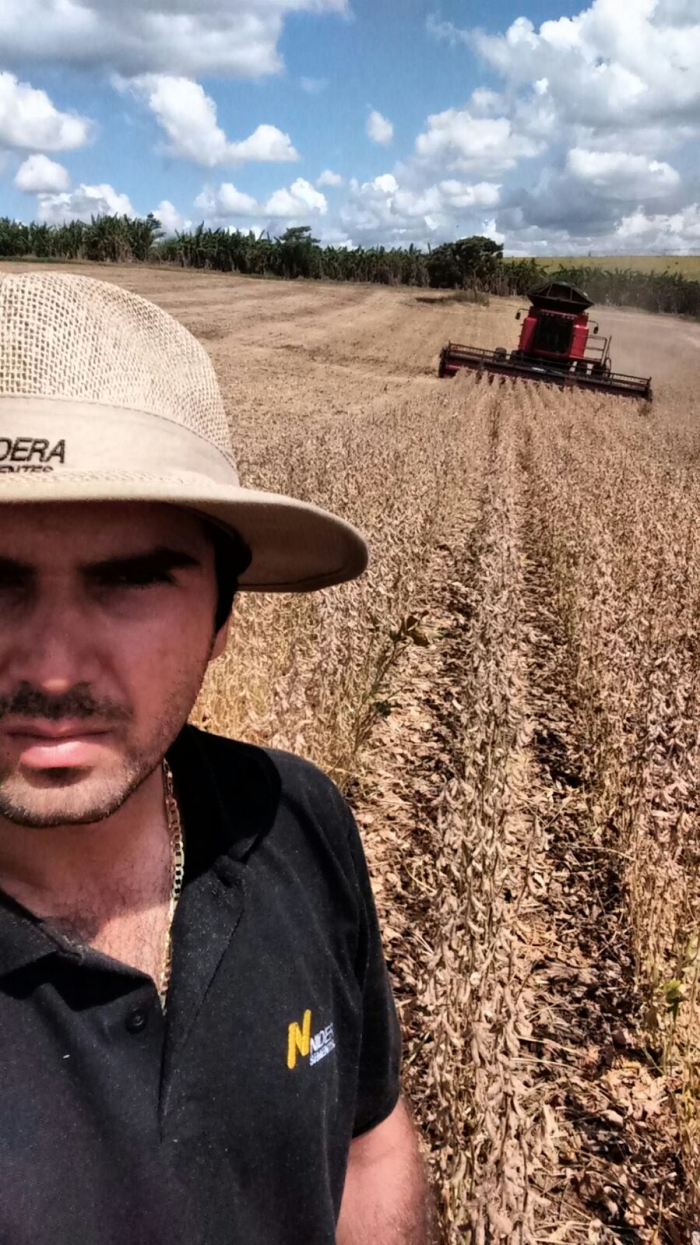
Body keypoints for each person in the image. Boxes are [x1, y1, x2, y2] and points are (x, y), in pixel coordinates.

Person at [0, 273, 438, 1245]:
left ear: (222, 618)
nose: (52, 668)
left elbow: (368, 1146)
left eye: (128, 582)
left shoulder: (296, 819)